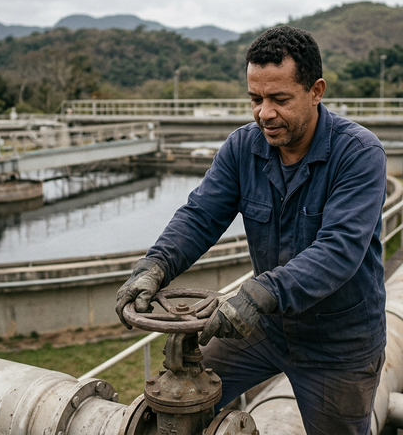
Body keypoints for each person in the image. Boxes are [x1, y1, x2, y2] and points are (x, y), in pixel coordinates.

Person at [115, 26, 387, 435]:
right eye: (255, 99)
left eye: (279, 99)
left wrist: (260, 295)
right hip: (266, 327)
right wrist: (155, 265)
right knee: (181, 400)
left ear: (316, 91)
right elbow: (200, 214)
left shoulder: (359, 154)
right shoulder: (243, 148)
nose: (264, 113)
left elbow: (339, 250)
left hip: (338, 342)